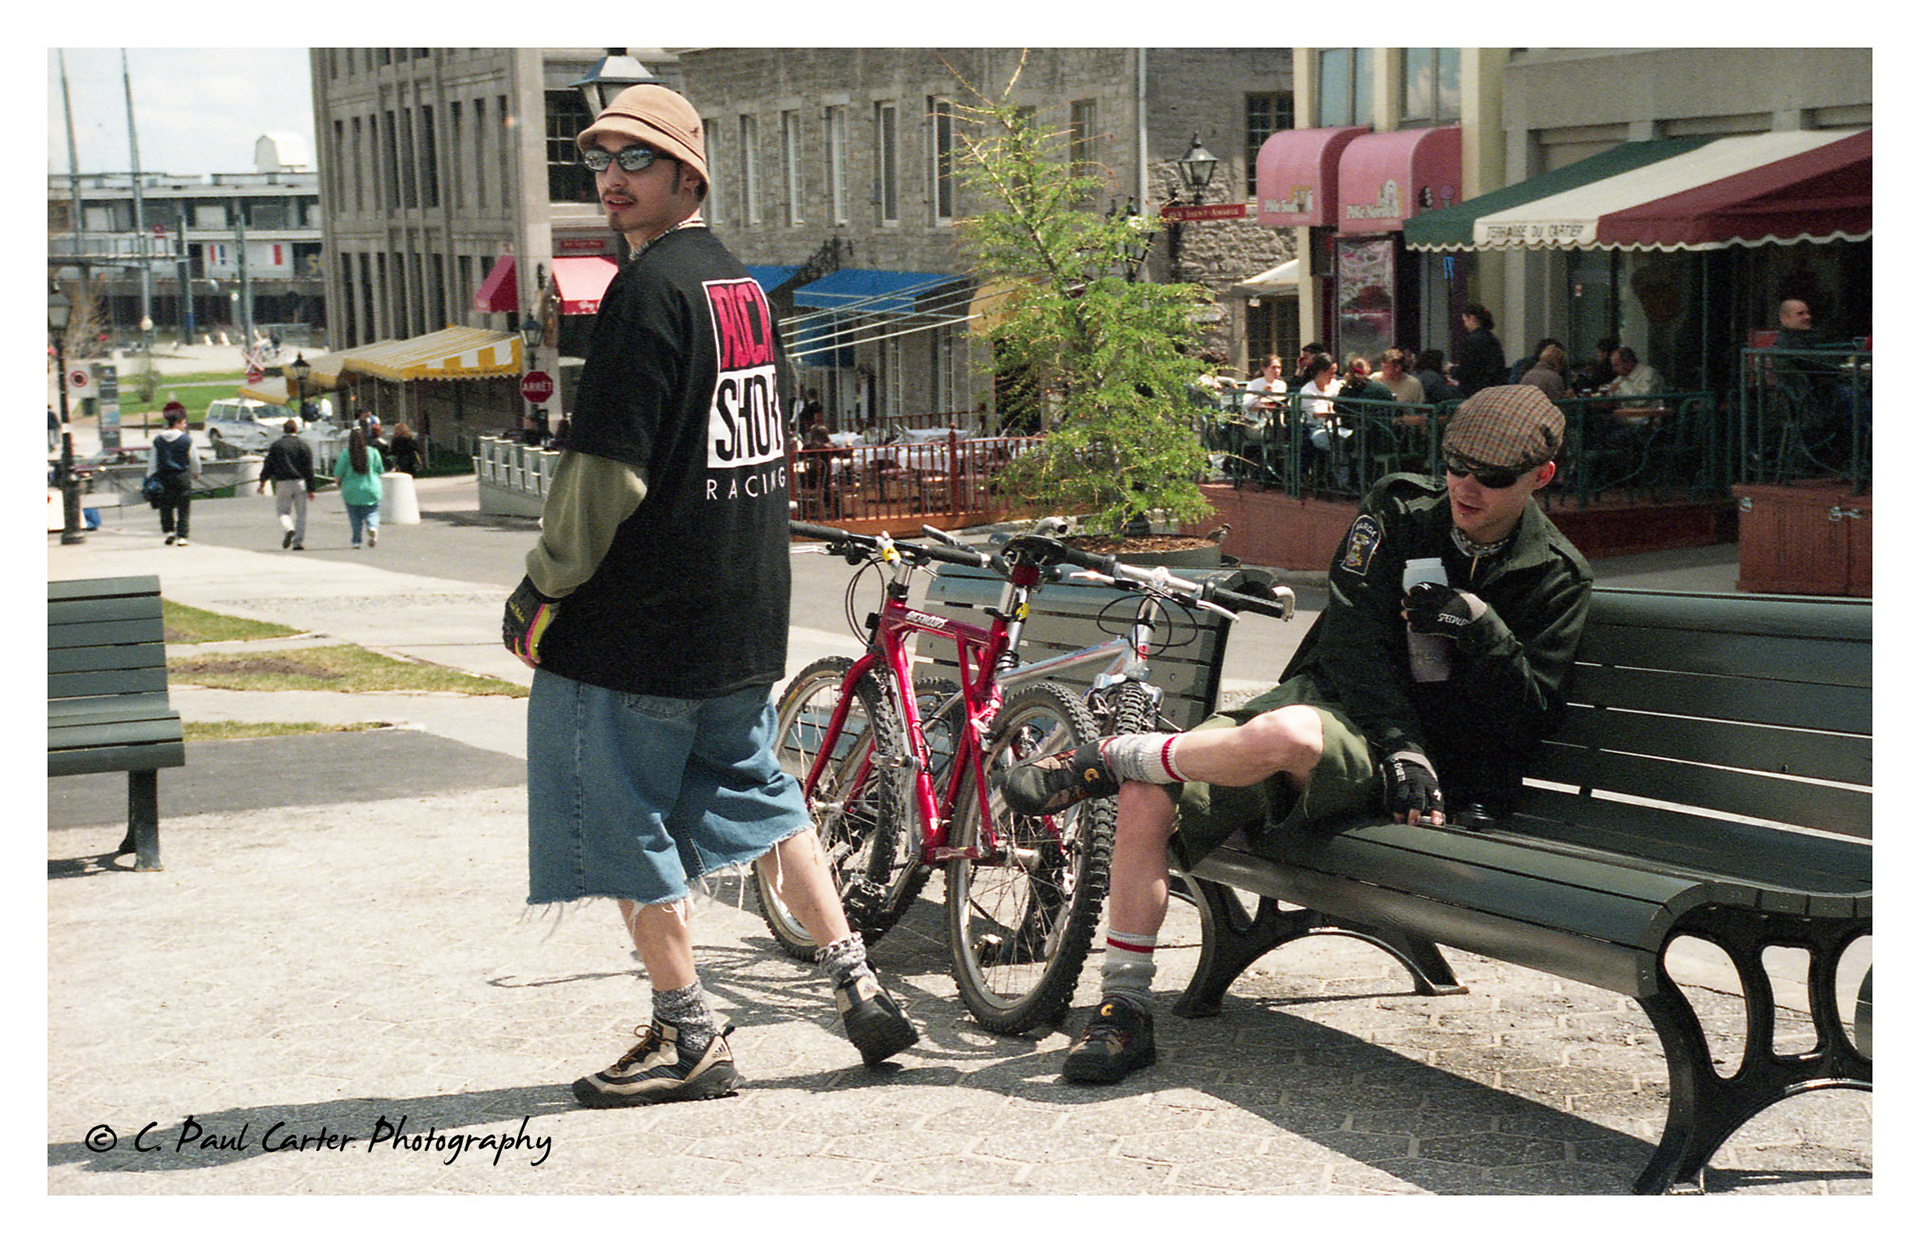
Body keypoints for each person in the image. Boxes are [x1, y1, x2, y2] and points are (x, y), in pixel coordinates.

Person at [500, 82, 919, 1109]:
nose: (610, 179)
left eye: (634, 160)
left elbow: (607, 475)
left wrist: (537, 590)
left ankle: (688, 1032)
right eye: (598, 159)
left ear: (689, 173)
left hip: (638, 626)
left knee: (620, 815)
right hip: (740, 616)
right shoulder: (742, 289)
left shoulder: (645, 295)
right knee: (765, 796)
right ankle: (856, 979)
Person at [996, 385, 1592, 1085]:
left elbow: (1529, 716)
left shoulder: (1556, 576)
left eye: (1490, 477)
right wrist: (1397, 736)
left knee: (1282, 739)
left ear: (1541, 477)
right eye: (1456, 463)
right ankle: (1124, 1007)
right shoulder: (1398, 511)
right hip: (1354, 718)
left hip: (1419, 770)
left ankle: (1111, 753)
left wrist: (1482, 629)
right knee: (1147, 797)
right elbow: (1349, 640)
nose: (1464, 485)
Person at [257, 419, 317, 550]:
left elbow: (268, 465)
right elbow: (309, 468)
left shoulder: (276, 446)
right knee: (301, 514)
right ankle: (298, 542)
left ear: (284, 430)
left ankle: (289, 528)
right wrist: (311, 488)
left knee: (283, 512)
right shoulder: (303, 445)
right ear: (296, 430)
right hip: (299, 482)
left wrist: (262, 481)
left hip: (282, 482)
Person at [147, 407, 201, 546]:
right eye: (183, 423)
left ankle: (169, 531)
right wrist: (196, 472)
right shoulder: (186, 440)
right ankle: (182, 536)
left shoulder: (158, 440)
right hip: (181, 475)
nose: (185, 425)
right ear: (177, 423)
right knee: (183, 507)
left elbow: (153, 460)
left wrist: (150, 477)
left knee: (166, 505)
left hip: (163, 476)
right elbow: (194, 459)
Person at [333, 426, 384, 548]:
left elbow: (338, 473)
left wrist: (338, 483)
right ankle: (372, 527)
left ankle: (356, 541)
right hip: (371, 488)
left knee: (355, 518)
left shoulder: (346, 454)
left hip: (351, 490)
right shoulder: (373, 452)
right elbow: (380, 470)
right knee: (372, 512)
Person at [1456, 305, 1507, 399]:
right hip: (1494, 390)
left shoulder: (1471, 340)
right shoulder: (1493, 339)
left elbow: (1467, 370)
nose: (1465, 325)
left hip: (1475, 391)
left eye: (1465, 320)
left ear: (1472, 318)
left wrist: (1452, 370)